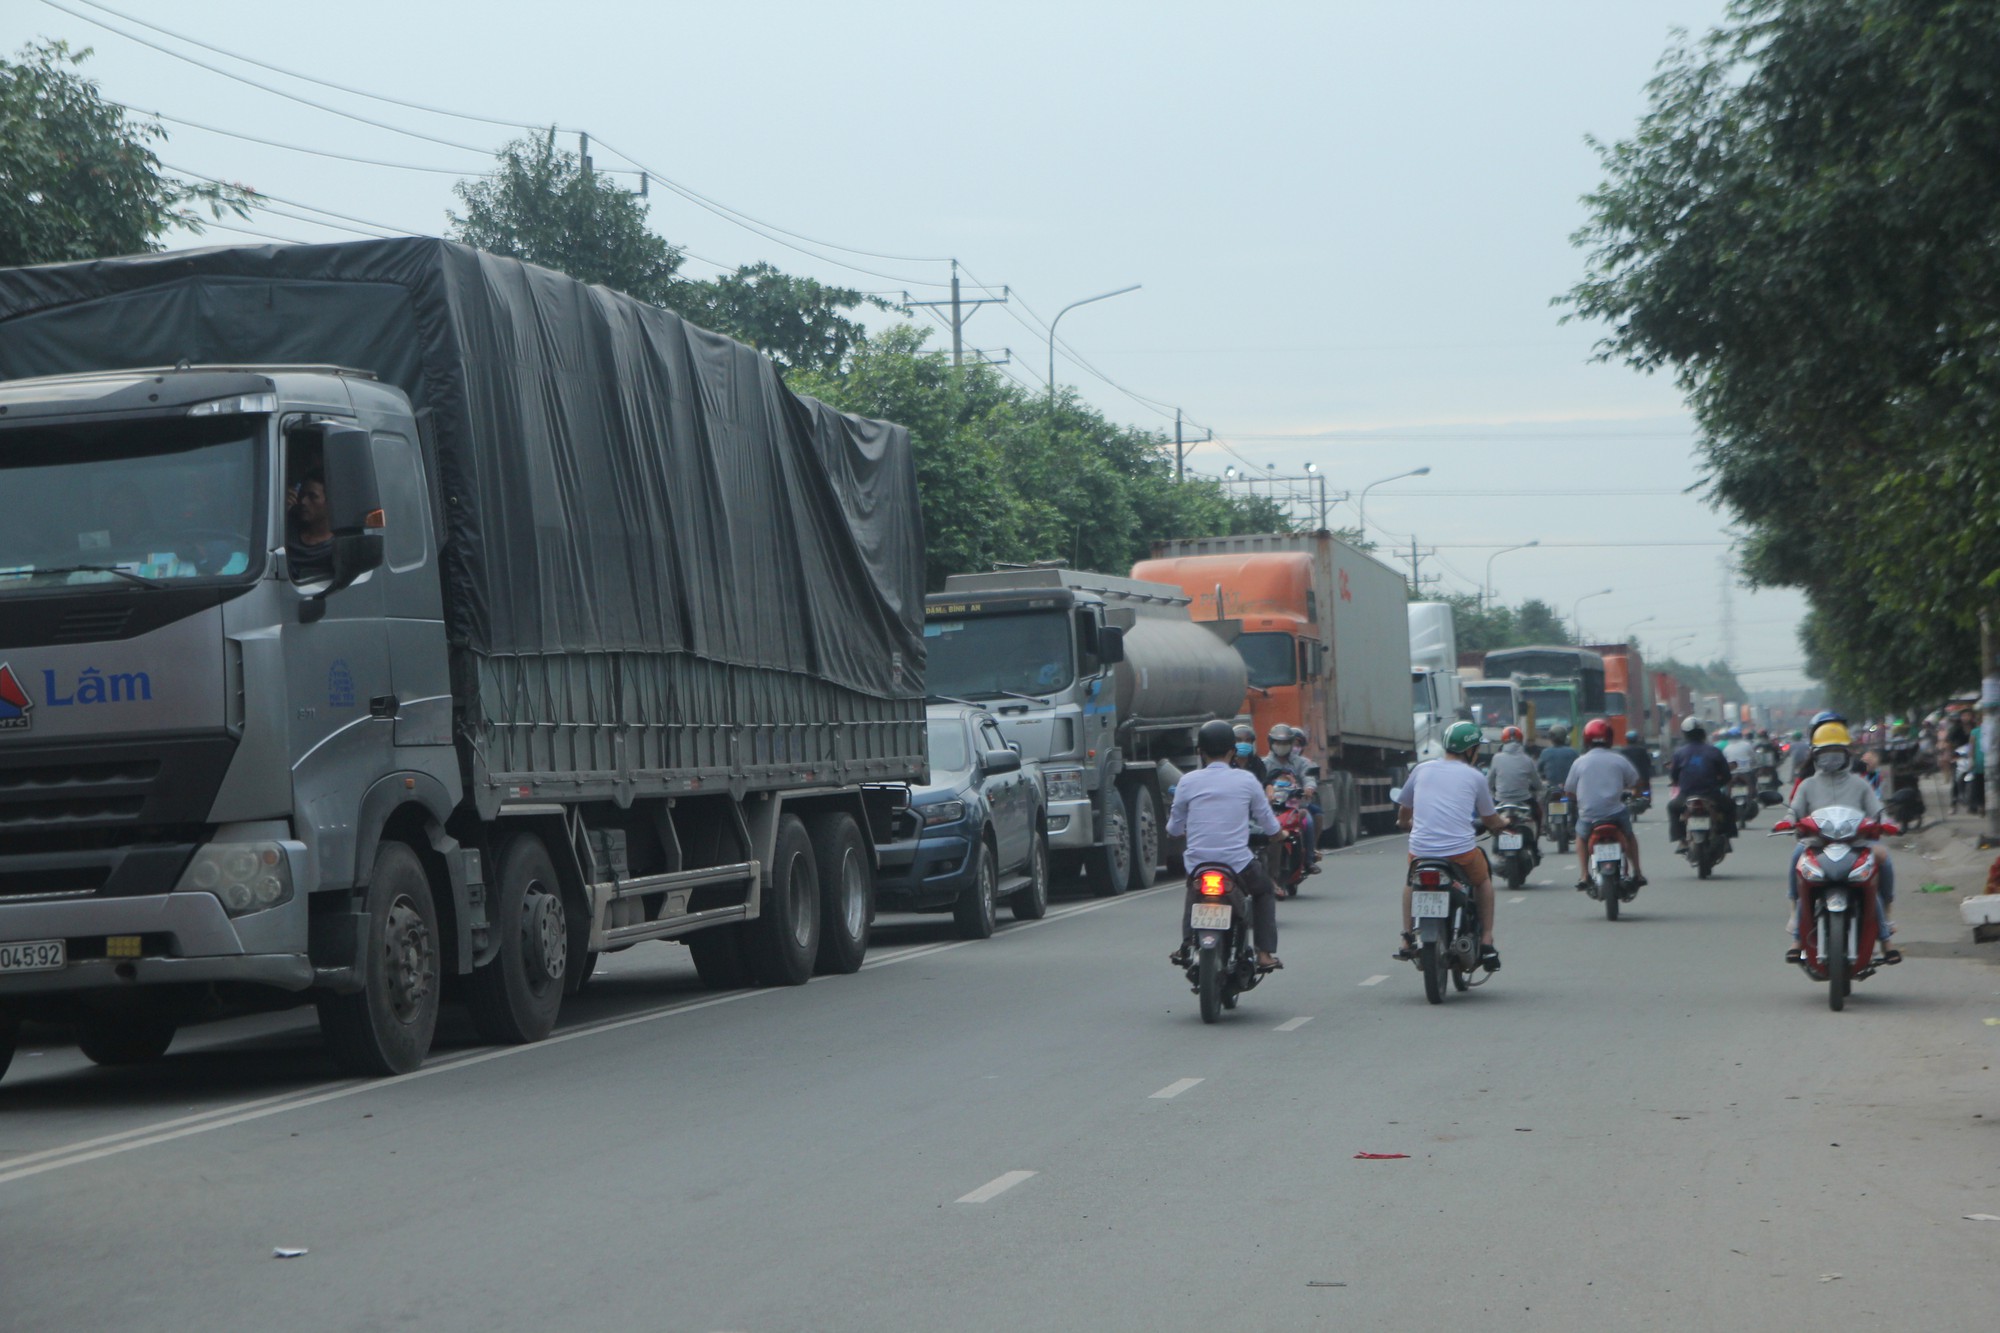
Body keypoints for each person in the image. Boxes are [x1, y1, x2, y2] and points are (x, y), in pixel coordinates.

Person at [1168, 719, 1283, 970]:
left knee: (1194, 889)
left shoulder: (1187, 781)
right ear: (1232, 751)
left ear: (1200, 752)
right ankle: (1264, 953)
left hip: (1198, 863)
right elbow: (1268, 821)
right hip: (1238, 864)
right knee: (1264, 891)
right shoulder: (1246, 780)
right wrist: (1277, 835)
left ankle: (1187, 944)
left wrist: (1180, 831)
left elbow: (1174, 827)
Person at [1395, 720, 1507, 972]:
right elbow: (1490, 819)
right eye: (1477, 748)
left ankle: (1406, 937)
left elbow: (1404, 810)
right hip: (1461, 854)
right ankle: (1487, 940)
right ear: (1469, 750)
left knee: (1411, 882)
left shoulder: (1421, 770)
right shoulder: (1475, 776)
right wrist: (1503, 823)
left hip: (1421, 853)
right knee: (1483, 881)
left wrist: (1405, 823)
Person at [1785, 720, 1899, 965]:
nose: (1831, 759)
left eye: (1835, 753)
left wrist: (1887, 822)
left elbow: (1877, 810)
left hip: (1857, 844)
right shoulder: (1808, 785)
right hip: (1817, 843)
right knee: (1797, 859)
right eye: (1825, 753)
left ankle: (1886, 934)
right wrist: (1787, 822)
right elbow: (1794, 811)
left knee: (1883, 861)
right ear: (1816, 755)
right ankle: (1796, 928)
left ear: (1846, 754)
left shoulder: (1860, 784)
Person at [1567, 718, 1646, 889]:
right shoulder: (1619, 760)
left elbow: (1569, 791)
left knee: (1580, 837)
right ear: (1609, 738)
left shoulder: (1579, 762)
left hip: (1589, 816)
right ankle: (1638, 872)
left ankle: (1583, 874)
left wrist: (1576, 800)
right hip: (1615, 814)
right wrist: (1635, 794)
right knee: (1629, 835)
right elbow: (1636, 783)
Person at [1668, 718, 1736, 847]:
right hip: (1711, 795)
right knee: (1730, 806)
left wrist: (1678, 782)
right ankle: (1727, 837)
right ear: (1703, 733)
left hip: (1686, 795)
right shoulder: (1714, 751)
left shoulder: (1679, 753)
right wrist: (1719, 783)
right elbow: (1726, 775)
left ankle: (1681, 840)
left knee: (1672, 807)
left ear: (1685, 734)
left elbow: (1674, 776)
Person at [1263, 724, 1321, 869]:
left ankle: (1308, 859)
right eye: (1278, 742)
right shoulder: (1263, 764)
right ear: (1271, 743)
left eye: (1285, 743)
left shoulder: (1302, 763)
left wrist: (1308, 788)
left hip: (1295, 805)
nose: (1281, 746)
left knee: (1307, 820)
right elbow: (1258, 781)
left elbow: (1309, 777)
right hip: (1271, 808)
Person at [1487, 725, 1545, 861]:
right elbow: (1537, 784)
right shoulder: (1527, 759)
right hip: (1524, 800)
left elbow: (1488, 782)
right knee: (1538, 814)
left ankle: (1496, 845)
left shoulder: (1497, 758)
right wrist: (1540, 789)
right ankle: (1535, 847)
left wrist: (1491, 794)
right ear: (1520, 741)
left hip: (1501, 800)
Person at [287, 468, 334, 584]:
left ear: (330, 501)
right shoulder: (288, 530)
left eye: (312, 496)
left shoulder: (336, 547)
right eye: (302, 495)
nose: (303, 501)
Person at [1537, 723, 1579, 790]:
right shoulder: (1573, 752)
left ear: (1551, 738)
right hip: (1570, 789)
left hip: (1552, 790)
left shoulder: (1545, 752)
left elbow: (1539, 770)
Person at [1619, 730, 1655, 800]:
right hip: (1642, 777)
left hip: (1627, 778)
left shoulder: (1623, 751)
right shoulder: (1642, 750)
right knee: (1646, 789)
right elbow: (1648, 762)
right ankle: (1647, 797)